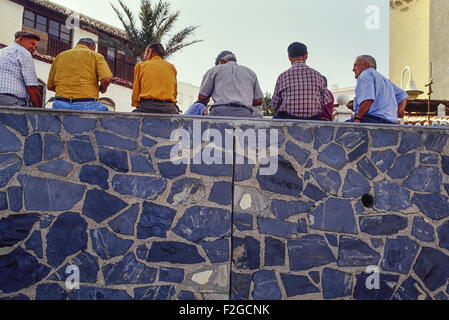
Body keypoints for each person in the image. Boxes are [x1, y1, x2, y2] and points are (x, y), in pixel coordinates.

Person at [47, 38, 112, 111]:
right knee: (106, 113)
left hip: (60, 104)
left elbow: (50, 86)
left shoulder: (59, 56)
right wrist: (103, 89)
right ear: (93, 48)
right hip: (87, 103)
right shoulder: (96, 56)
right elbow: (106, 79)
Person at [272, 42, 332, 120]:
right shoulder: (318, 76)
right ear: (306, 56)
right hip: (312, 121)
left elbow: (275, 104)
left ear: (289, 57)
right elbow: (325, 102)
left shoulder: (282, 77)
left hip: (287, 121)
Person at [198, 51, 263, 118]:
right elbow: (258, 101)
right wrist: (244, 100)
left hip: (219, 112)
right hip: (245, 114)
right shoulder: (251, 73)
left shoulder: (214, 70)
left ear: (222, 60)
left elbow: (202, 97)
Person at [349, 55, 408, 124]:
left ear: (366, 64)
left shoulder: (365, 74)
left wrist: (357, 118)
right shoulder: (385, 81)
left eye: (355, 65)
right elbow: (402, 94)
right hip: (390, 123)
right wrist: (400, 109)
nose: (353, 69)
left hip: (372, 120)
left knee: (338, 130)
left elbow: (367, 100)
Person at [132, 43, 180, 114]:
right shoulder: (171, 67)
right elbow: (174, 92)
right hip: (168, 108)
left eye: (145, 53)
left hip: (147, 107)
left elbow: (136, 91)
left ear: (150, 51)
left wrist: (136, 105)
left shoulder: (141, 66)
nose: (144, 56)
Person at [0, 31, 42, 108]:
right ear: (20, 39)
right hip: (12, 101)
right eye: (32, 44)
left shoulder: (2, 51)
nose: (34, 49)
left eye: (36, 47)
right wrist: (39, 111)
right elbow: (32, 87)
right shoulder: (24, 53)